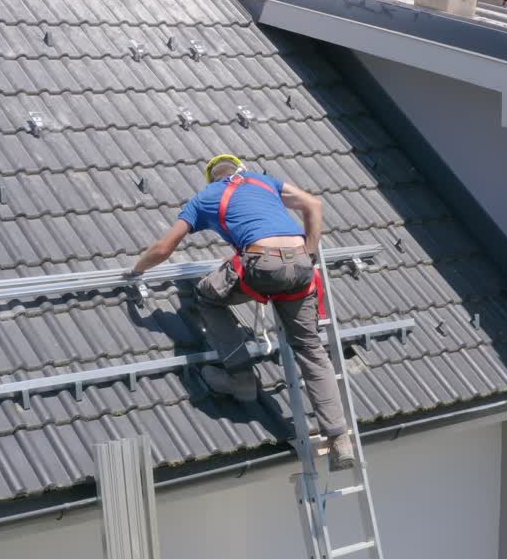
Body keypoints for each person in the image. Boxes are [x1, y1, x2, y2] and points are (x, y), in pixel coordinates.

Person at [126, 155, 355, 470]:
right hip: (301, 264)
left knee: (208, 296)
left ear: (212, 178)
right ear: (240, 169)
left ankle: (241, 377)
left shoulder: (204, 198)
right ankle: (339, 438)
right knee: (310, 348)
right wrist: (311, 253)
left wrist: (136, 270)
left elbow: (164, 249)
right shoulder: (264, 181)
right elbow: (313, 204)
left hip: (262, 264)